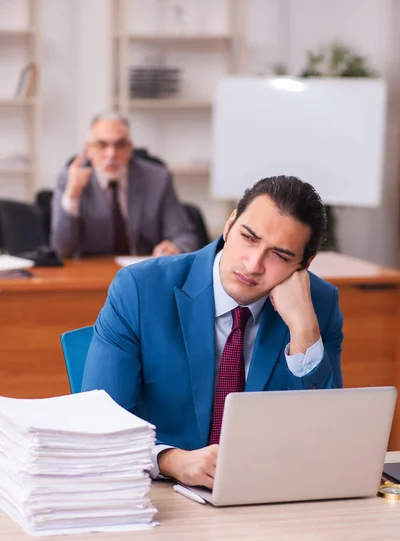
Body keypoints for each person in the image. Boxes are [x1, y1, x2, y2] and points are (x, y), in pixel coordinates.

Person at [82, 175, 343, 489]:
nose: (253, 264)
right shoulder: (140, 289)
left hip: (264, 496)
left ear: (305, 264)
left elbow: (326, 439)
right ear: (230, 224)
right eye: (248, 237)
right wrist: (170, 460)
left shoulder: (319, 305)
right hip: (157, 497)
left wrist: (303, 330)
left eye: (280, 255)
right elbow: (98, 426)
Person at [51, 112, 198, 258]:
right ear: (88, 149)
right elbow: (61, 250)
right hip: (91, 275)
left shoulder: (157, 179)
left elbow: (184, 236)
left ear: (130, 148)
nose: (111, 154)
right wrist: (72, 196)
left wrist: (174, 248)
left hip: (143, 272)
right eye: (102, 145)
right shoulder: (69, 179)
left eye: (120, 145)